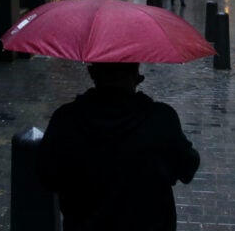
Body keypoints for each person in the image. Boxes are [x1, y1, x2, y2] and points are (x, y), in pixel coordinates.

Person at [37, 62, 200, 231]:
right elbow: (187, 168)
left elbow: (48, 178)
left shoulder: (65, 119)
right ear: (136, 75)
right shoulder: (161, 119)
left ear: (92, 73)